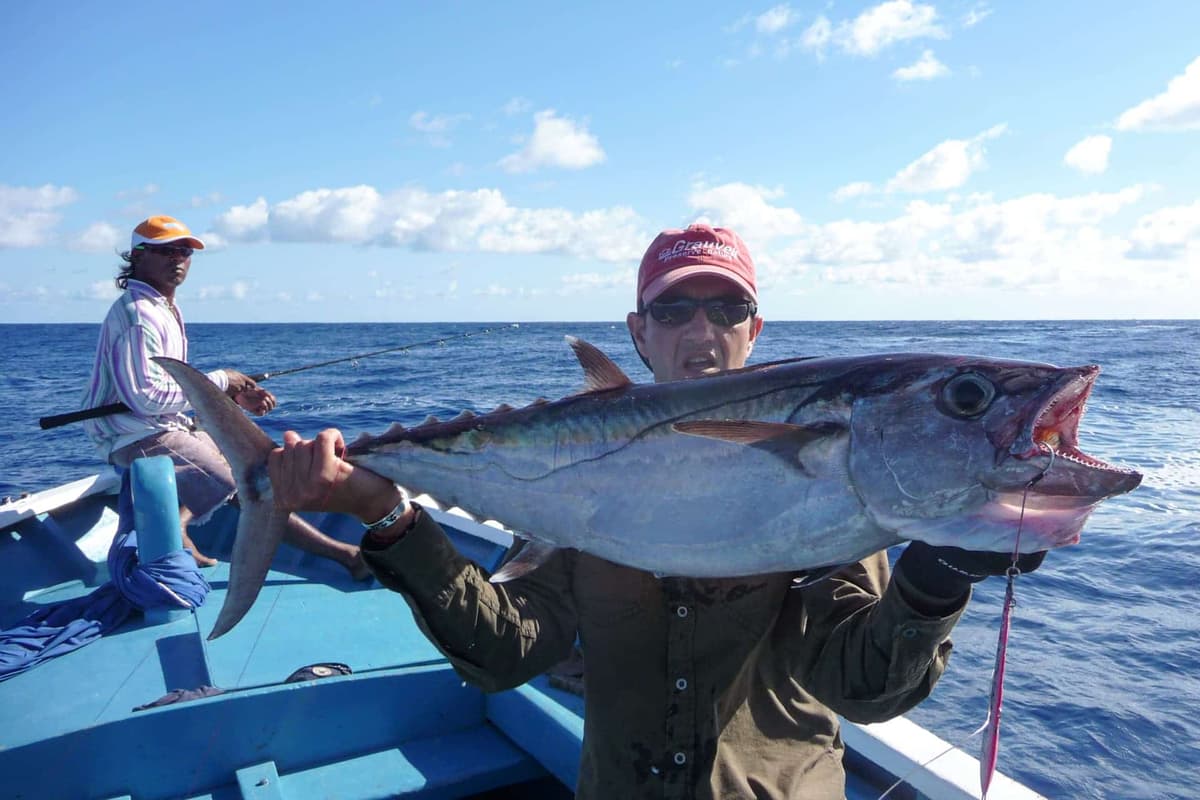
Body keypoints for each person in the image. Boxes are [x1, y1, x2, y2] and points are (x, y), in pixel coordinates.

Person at [265, 224, 1043, 799]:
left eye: (725, 307)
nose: (701, 332)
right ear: (638, 332)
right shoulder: (577, 483)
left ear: (755, 328)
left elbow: (864, 689)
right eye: (673, 312)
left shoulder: (831, 489)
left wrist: (933, 580)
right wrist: (387, 517)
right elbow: (504, 652)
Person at [82, 214, 367, 578]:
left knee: (247, 458)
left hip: (161, 425)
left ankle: (180, 526)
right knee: (249, 487)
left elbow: (168, 390)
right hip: (135, 434)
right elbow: (147, 397)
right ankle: (346, 555)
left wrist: (231, 395)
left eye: (184, 251)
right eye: (166, 251)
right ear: (137, 256)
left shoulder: (161, 307)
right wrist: (220, 381)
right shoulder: (140, 315)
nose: (178, 259)